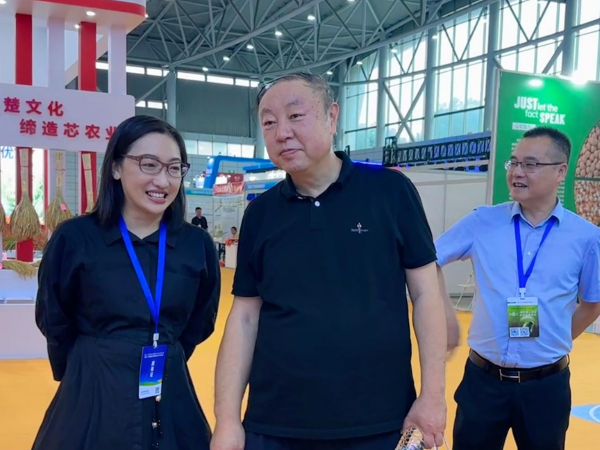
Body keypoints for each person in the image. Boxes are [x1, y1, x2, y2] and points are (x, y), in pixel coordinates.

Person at [210, 72, 455, 450]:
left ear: (332, 116)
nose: (282, 132)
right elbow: (244, 317)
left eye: (296, 116)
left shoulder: (391, 192)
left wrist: (433, 396)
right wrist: (226, 419)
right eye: (269, 122)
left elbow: (426, 296)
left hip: (379, 420)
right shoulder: (261, 214)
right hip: (274, 424)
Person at [33, 115, 221, 450]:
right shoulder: (75, 238)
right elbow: (54, 317)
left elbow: (201, 320)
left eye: (174, 168)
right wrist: (86, 363)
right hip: (92, 390)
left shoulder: (196, 245)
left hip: (169, 390)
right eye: (149, 164)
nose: (162, 180)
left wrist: (167, 350)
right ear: (116, 167)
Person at [435, 126, 600, 450]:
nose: (517, 172)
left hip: (546, 388)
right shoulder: (482, 221)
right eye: (514, 162)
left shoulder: (586, 237)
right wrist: (447, 316)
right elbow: (428, 260)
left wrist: (553, 339)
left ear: (561, 172)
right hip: (482, 383)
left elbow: (593, 303)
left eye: (531, 164)